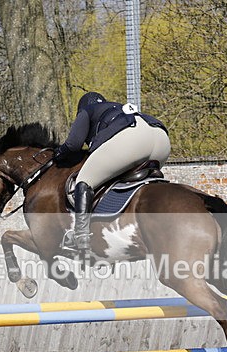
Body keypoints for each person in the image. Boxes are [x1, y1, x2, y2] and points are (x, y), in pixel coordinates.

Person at [54, 92, 171, 252]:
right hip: (161, 139)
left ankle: (80, 236)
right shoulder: (115, 108)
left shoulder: (87, 110)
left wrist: (58, 153)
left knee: (85, 180)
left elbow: (74, 144)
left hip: (133, 138)